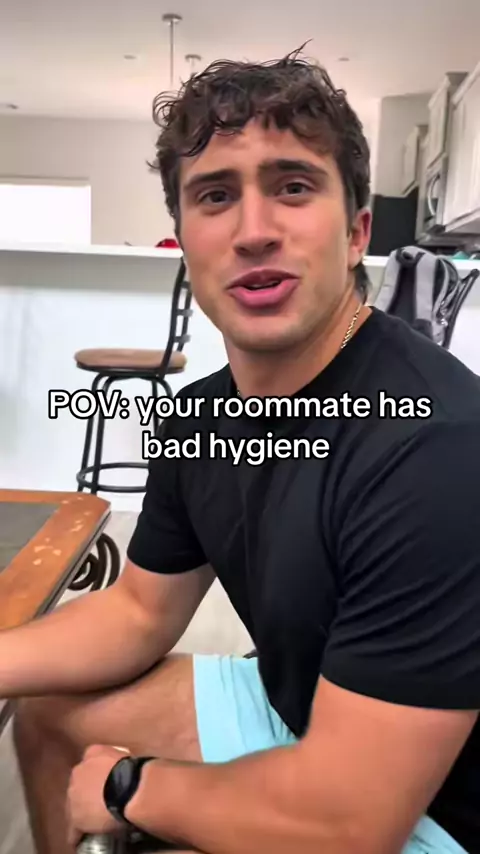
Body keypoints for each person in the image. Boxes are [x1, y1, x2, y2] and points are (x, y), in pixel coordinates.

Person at [5, 47, 480, 854]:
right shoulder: (199, 418)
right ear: (184, 242)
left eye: (293, 186)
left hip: (429, 805)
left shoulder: (436, 448)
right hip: (299, 703)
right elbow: (139, 610)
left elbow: (348, 823)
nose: (254, 232)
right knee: (49, 716)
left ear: (356, 232)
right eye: (216, 195)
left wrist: (131, 788)